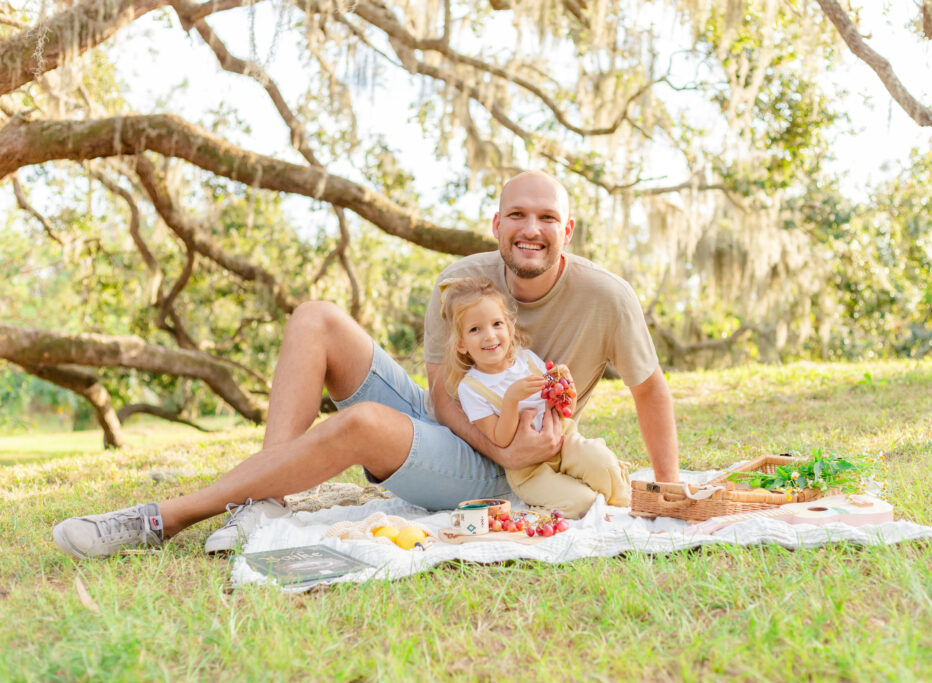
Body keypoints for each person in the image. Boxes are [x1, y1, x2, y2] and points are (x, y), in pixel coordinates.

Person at [51, 170, 679, 559]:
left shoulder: (607, 297)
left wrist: (669, 488)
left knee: (364, 425)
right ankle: (261, 505)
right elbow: (440, 393)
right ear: (496, 224)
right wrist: (493, 440)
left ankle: (168, 518)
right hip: (467, 429)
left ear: (568, 229)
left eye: (546, 217)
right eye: (517, 214)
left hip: (521, 471)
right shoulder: (461, 282)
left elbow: (651, 391)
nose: (531, 229)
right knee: (315, 318)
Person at [439, 276, 631, 519]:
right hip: (529, 471)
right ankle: (562, 504)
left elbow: (561, 409)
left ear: (509, 328)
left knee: (601, 463)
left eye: (497, 324)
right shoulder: (472, 388)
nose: (489, 336)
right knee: (583, 503)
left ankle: (624, 508)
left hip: (565, 442)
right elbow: (500, 439)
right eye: (475, 329)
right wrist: (511, 400)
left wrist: (565, 390)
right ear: (461, 344)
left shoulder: (527, 360)